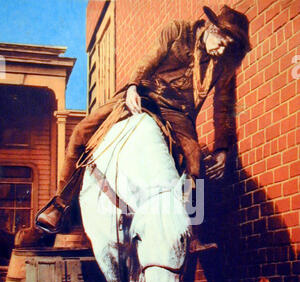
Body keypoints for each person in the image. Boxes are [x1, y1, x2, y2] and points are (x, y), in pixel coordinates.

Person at [15, 5, 250, 248]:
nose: (222, 51)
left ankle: (192, 234)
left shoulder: (224, 65)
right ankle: (60, 204)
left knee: (195, 160)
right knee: (81, 132)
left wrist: (223, 147)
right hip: (145, 95)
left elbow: (224, 105)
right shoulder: (178, 31)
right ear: (212, 28)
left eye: (229, 47)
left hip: (179, 114)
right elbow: (149, 60)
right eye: (221, 43)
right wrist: (133, 87)